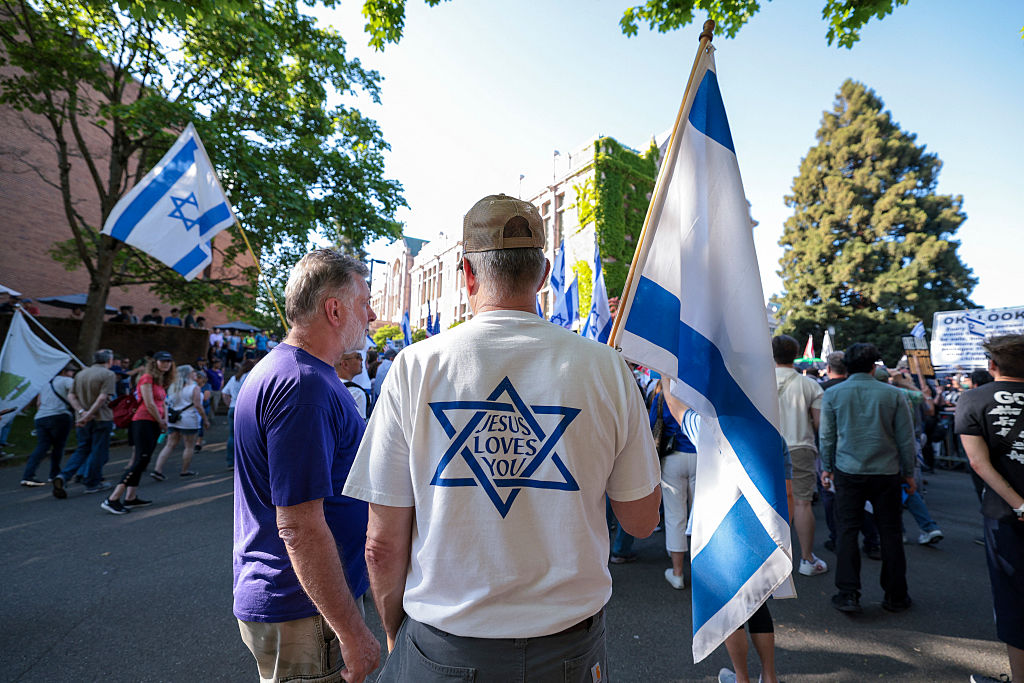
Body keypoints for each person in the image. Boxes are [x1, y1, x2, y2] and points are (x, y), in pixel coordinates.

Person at [343, 194, 662, 680]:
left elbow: (381, 543)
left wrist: (394, 635)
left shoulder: (414, 367)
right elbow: (640, 521)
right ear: (543, 274)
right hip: (569, 648)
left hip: (443, 646)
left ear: (468, 274)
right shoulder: (607, 369)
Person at [233, 249, 379, 683]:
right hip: (305, 611)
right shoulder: (303, 386)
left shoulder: (298, 373)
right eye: (364, 303)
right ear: (334, 310)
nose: (372, 315)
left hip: (304, 605)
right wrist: (351, 631)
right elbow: (298, 526)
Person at [820, 342, 916, 614]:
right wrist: (909, 473)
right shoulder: (894, 394)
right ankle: (896, 595)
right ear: (874, 367)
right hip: (886, 471)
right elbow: (905, 439)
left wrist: (826, 467)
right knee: (890, 531)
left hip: (848, 470)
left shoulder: (833, 394)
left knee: (847, 530)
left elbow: (827, 436)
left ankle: (848, 593)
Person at [955, 335, 1024, 683]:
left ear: (992, 365)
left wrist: (1020, 504)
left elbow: (979, 463)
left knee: (1014, 599)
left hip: (1005, 514)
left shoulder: (972, 399)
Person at [773, 334, 827, 576]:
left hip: (765, 448)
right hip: (800, 446)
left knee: (765, 503)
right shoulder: (810, 385)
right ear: (795, 355)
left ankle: (768, 561)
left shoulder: (758, 382)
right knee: (803, 502)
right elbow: (819, 424)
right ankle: (806, 559)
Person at [101, 351, 174, 514]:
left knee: (143, 459)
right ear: (155, 362)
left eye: (169, 361)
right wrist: (161, 421)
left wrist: (164, 420)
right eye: (163, 361)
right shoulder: (147, 378)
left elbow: (162, 403)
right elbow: (149, 403)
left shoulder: (159, 380)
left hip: (153, 423)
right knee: (140, 460)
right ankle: (112, 499)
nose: (166, 364)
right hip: (143, 421)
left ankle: (130, 497)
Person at [651, 379, 697, 589]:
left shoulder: (663, 395)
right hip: (702, 457)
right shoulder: (700, 391)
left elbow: (651, 425)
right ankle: (704, 571)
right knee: (702, 515)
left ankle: (677, 573)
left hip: (671, 458)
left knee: (674, 516)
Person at [52, 350, 117, 498]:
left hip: (82, 420)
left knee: (83, 449)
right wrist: (89, 413)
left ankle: (64, 475)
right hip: (102, 417)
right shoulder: (108, 374)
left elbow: (71, 395)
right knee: (98, 451)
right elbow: (102, 398)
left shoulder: (81, 374)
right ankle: (92, 482)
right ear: (109, 360)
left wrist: (81, 412)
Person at [21, 364, 76, 486]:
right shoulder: (66, 381)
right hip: (59, 415)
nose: (73, 374)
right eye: (71, 371)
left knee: (42, 446)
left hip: (41, 417)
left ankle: (28, 475)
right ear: (64, 371)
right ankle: (54, 474)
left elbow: (39, 403)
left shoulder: (45, 383)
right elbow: (76, 392)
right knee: (58, 446)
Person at [151, 366, 209, 480]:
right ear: (188, 374)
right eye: (193, 372)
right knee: (189, 446)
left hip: (174, 419)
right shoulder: (194, 388)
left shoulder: (173, 387)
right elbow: (198, 405)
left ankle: (157, 469)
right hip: (189, 420)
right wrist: (205, 419)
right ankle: (184, 470)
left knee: (170, 444)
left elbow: (167, 403)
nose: (195, 373)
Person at [221, 358, 255, 470]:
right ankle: (245, 462)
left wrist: (229, 404)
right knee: (247, 436)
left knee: (232, 436)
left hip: (233, 408)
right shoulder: (251, 376)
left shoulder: (234, 378)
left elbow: (224, 393)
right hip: (245, 409)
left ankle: (230, 461)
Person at [335, 351, 369, 420]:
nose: (362, 359)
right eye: (358, 357)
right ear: (345, 364)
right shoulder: (356, 393)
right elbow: (358, 425)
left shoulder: (329, 385)